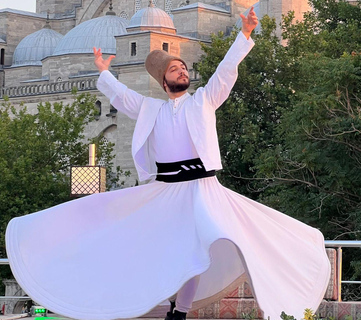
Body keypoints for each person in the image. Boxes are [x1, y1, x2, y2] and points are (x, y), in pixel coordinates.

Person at [5, 7, 331, 320]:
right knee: (124, 229)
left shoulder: (203, 101)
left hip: (203, 189)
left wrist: (244, 35)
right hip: (165, 191)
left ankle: (182, 312)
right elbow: (122, 97)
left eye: (184, 68)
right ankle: (140, 297)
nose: (182, 71)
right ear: (164, 81)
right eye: (175, 69)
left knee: (206, 247)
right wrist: (104, 73)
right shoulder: (152, 109)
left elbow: (225, 72)